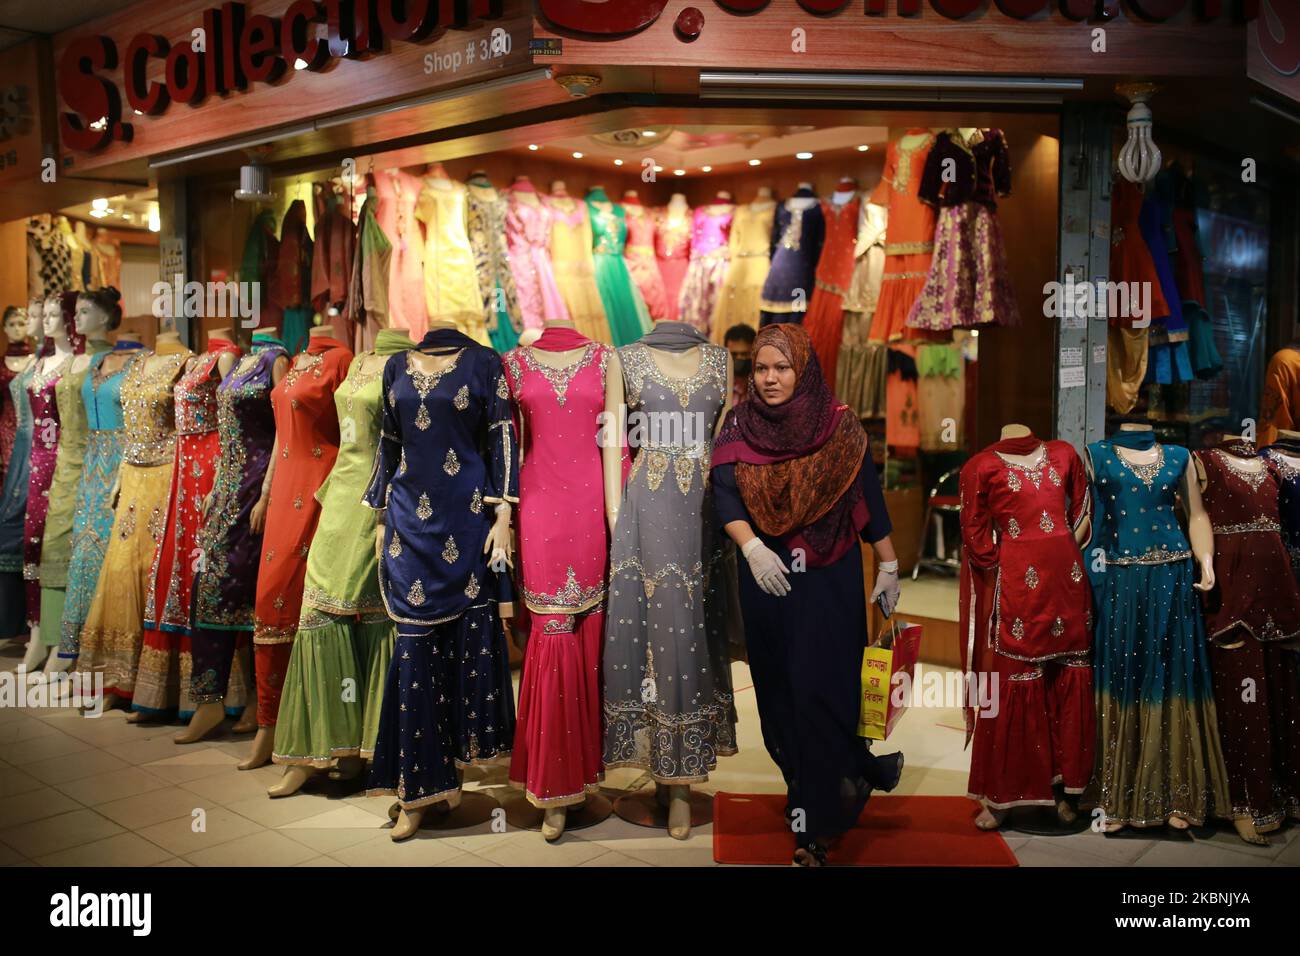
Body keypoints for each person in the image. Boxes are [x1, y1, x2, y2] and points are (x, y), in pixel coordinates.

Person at [712, 323, 903, 867]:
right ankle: (804, 791)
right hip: (768, 581)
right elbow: (725, 496)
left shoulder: (840, 426)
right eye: (762, 369)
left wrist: (888, 563)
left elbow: (865, 500)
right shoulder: (737, 426)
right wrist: (751, 548)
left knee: (824, 693)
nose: (770, 379)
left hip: (831, 580)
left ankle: (814, 828)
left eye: (782, 368)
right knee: (781, 696)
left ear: (803, 369)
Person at [723, 323, 755, 406]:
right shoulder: (718, 387)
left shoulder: (761, 387)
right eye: (734, 354)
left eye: (745, 354)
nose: (739, 358)